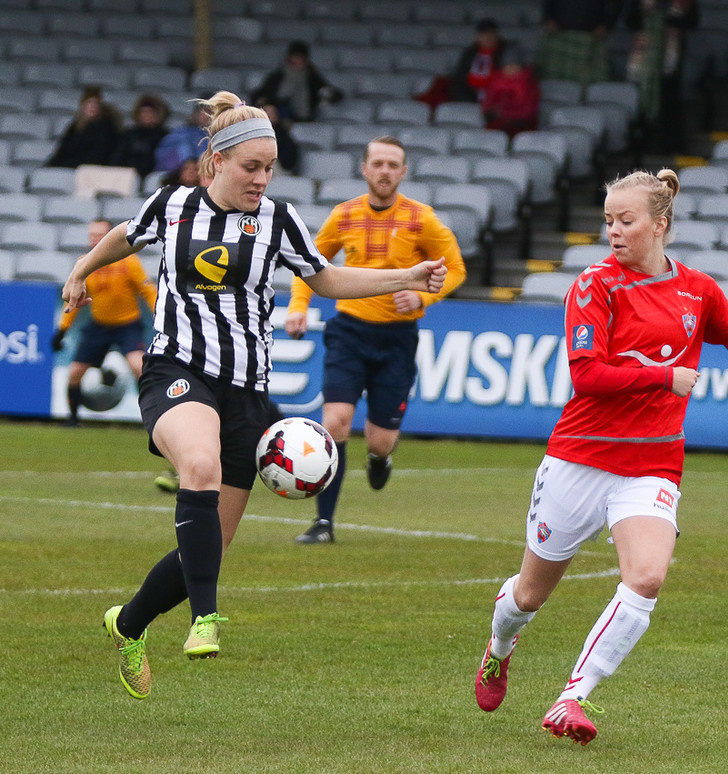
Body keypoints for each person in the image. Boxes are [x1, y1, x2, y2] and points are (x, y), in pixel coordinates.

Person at [61, 92, 447, 700]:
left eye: (269, 168)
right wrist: (82, 268)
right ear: (216, 161)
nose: (262, 179)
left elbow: (326, 279)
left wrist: (407, 276)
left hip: (246, 393)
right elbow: (126, 236)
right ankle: (205, 619)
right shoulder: (172, 204)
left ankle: (129, 623)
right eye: (251, 167)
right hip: (176, 370)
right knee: (199, 464)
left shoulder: (279, 219)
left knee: (209, 544)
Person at [473, 168, 728, 745]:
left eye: (625, 220)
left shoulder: (699, 291)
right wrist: (663, 377)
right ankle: (499, 645)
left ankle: (572, 697)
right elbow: (586, 376)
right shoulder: (595, 285)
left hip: (652, 463)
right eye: (608, 221)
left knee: (648, 577)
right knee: (530, 595)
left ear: (659, 225)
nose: (613, 231)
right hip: (580, 459)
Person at [284, 136, 467, 545]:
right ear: (364, 169)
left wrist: (423, 296)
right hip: (348, 331)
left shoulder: (422, 219)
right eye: (378, 163)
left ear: (403, 172)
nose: (385, 171)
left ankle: (378, 457)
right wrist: (298, 306)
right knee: (334, 421)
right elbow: (307, 264)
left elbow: (455, 267)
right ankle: (324, 523)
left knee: (381, 441)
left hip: (397, 339)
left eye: (392, 165)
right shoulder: (344, 215)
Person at [52, 219, 156, 427]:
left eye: (100, 235)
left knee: (139, 367)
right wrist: (62, 330)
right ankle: (73, 420)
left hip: (128, 325)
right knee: (75, 373)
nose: (95, 239)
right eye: (92, 235)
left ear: (110, 237)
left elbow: (148, 291)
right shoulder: (84, 263)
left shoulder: (129, 262)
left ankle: (152, 418)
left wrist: (160, 316)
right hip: (99, 326)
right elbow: (74, 298)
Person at [624, 0, 699, 151]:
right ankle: (642, 143)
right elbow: (631, 21)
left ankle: (670, 145)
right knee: (642, 97)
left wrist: (666, 17)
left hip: (670, 55)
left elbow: (692, 21)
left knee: (669, 99)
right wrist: (647, 13)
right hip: (645, 55)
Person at [250, 40, 343, 124]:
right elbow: (262, 95)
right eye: (295, 57)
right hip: (279, 119)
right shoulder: (278, 76)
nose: (297, 60)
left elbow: (331, 93)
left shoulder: (312, 78)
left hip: (306, 119)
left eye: (300, 57)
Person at [538, 0, 625, 85]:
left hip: (592, 39)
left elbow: (616, 3)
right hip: (559, 35)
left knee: (594, 82)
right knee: (553, 82)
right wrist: (548, 17)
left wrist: (607, 25)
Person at [46, 86, 121, 169]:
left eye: (96, 103)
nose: (92, 107)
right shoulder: (74, 127)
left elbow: (97, 156)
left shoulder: (105, 127)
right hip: (70, 166)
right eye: (89, 103)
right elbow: (63, 150)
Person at [449, 18, 519, 104]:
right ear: (478, 36)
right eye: (484, 34)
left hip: (496, 99)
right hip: (470, 98)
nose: (488, 37)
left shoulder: (506, 53)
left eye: (491, 34)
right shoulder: (469, 54)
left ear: (497, 35)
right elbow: (459, 80)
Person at [480, 49, 541, 137]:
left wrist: (502, 112)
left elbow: (527, 110)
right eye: (508, 65)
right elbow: (487, 104)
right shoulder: (495, 81)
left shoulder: (529, 83)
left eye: (515, 65)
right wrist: (491, 113)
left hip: (522, 129)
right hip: (495, 127)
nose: (511, 68)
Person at [110, 93, 171, 180]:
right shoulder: (128, 134)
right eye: (143, 112)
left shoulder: (166, 136)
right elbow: (118, 157)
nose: (147, 115)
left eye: (150, 112)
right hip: (127, 175)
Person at [153, 101, 211, 175]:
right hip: (176, 175)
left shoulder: (216, 137)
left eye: (210, 112)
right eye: (203, 112)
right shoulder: (179, 134)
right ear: (195, 113)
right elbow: (163, 158)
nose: (206, 115)